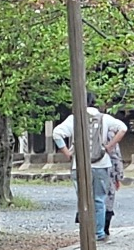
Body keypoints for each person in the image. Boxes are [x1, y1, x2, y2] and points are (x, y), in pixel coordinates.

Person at [51, 101, 128, 239]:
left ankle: (85, 232)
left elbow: (56, 133)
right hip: (101, 164)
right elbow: (123, 128)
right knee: (99, 199)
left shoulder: (74, 119)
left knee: (83, 199)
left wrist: (67, 153)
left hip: (79, 164)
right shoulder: (104, 118)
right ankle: (98, 233)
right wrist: (109, 146)